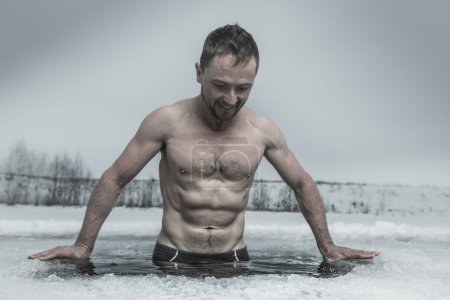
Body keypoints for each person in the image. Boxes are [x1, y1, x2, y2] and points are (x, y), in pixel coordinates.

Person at [29, 24, 379, 264]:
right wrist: (83, 245)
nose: (230, 98)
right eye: (220, 85)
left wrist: (327, 247)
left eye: (243, 88)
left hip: (235, 258)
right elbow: (115, 178)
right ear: (199, 72)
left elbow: (302, 183)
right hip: (173, 257)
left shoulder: (262, 130)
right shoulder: (166, 121)